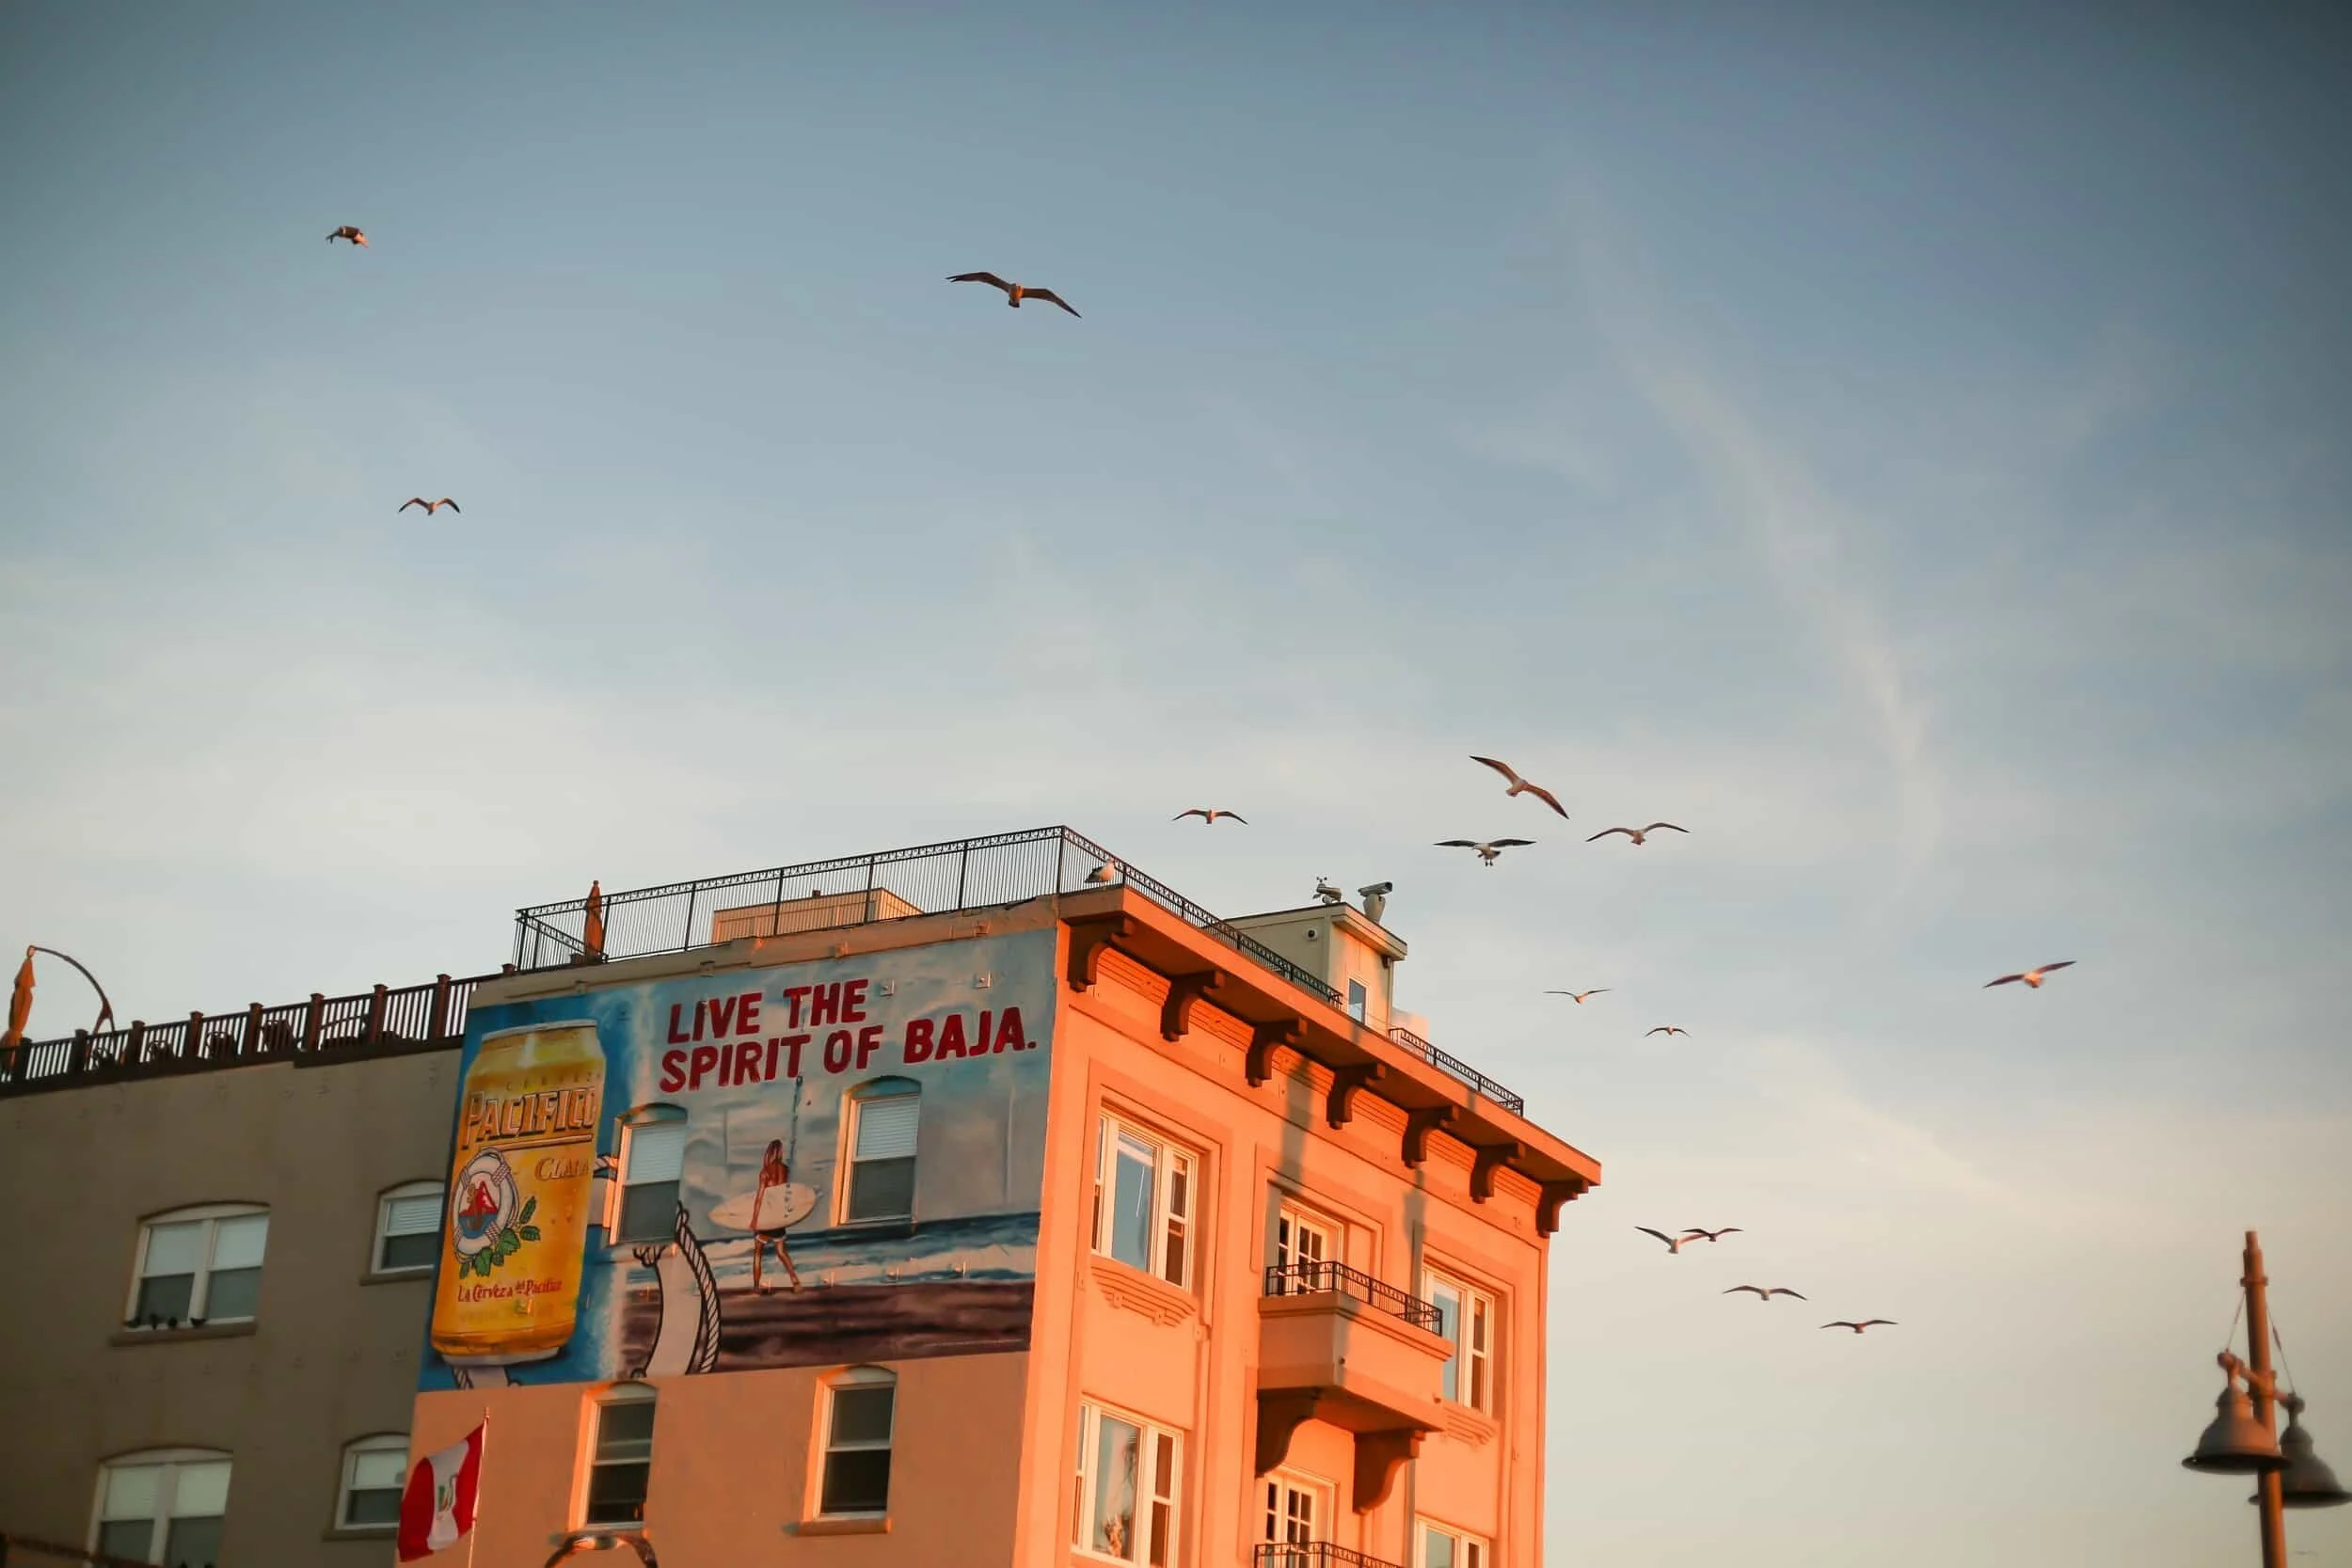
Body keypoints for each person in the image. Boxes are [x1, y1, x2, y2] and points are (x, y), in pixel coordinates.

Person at [751, 1139, 801, 1292]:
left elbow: (760, 1197)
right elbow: (784, 1192)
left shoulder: (765, 1172)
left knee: (758, 1251)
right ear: (779, 1152)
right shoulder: (785, 1169)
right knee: (780, 1251)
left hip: (768, 1216)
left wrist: (754, 1219)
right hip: (779, 1217)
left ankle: (756, 1286)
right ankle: (795, 1281)